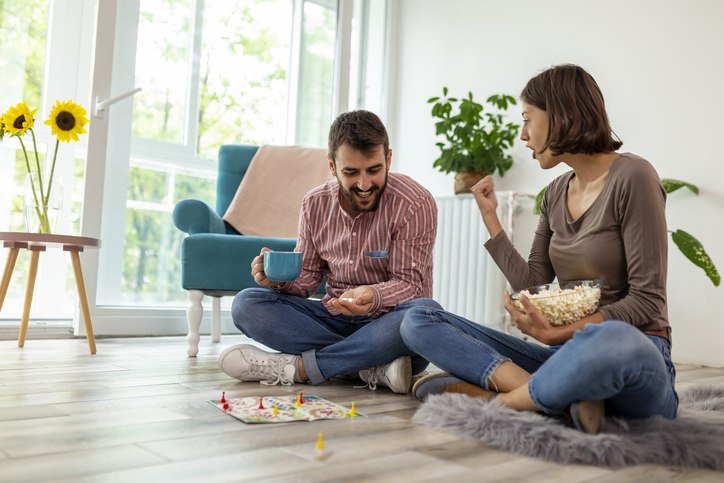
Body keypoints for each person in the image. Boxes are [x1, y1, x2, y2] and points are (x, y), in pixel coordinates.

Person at [400, 64, 677, 433]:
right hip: (565, 356)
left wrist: (559, 333)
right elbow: (534, 284)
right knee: (419, 319)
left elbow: (647, 301)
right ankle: (563, 399)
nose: (523, 134)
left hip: (635, 356)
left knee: (611, 339)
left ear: (560, 115)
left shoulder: (634, 177)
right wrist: (490, 219)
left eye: (528, 118)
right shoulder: (555, 193)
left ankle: (505, 401)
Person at [219, 110, 440, 394]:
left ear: (388, 159)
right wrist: (278, 281)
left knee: (426, 313)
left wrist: (372, 296)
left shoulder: (414, 203)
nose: (363, 184)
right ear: (332, 166)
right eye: (351, 172)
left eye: (374, 169)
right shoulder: (314, 204)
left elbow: (411, 286)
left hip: (388, 326)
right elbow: (308, 279)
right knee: (247, 304)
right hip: (332, 318)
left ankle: (298, 368)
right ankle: (368, 367)